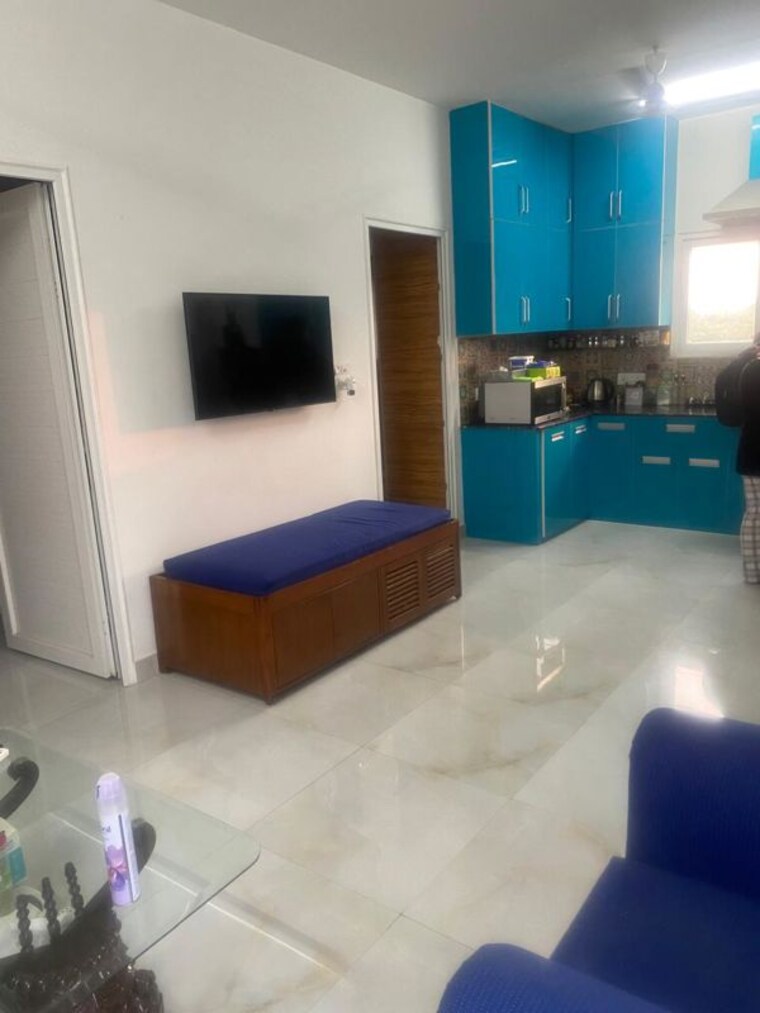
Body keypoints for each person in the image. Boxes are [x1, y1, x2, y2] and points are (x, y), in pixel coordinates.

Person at [736, 334, 760, 584]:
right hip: (754, 450)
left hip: (751, 451)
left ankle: (753, 573)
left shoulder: (749, 370)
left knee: (754, 514)